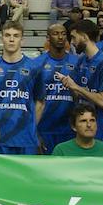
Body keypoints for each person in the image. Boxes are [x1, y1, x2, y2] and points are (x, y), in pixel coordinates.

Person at [0, 23, 40, 156]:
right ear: (1, 39)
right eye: (7, 35)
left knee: (26, 177)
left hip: (26, 139)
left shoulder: (34, 68)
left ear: (22, 40)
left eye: (16, 36)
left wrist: (31, 126)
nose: (11, 39)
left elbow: (40, 101)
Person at [33, 22, 80, 153]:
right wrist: (34, 132)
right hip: (44, 128)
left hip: (70, 128)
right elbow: (32, 101)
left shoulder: (76, 62)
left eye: (63, 34)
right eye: (56, 34)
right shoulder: (37, 63)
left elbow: (81, 97)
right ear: (48, 37)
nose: (60, 37)